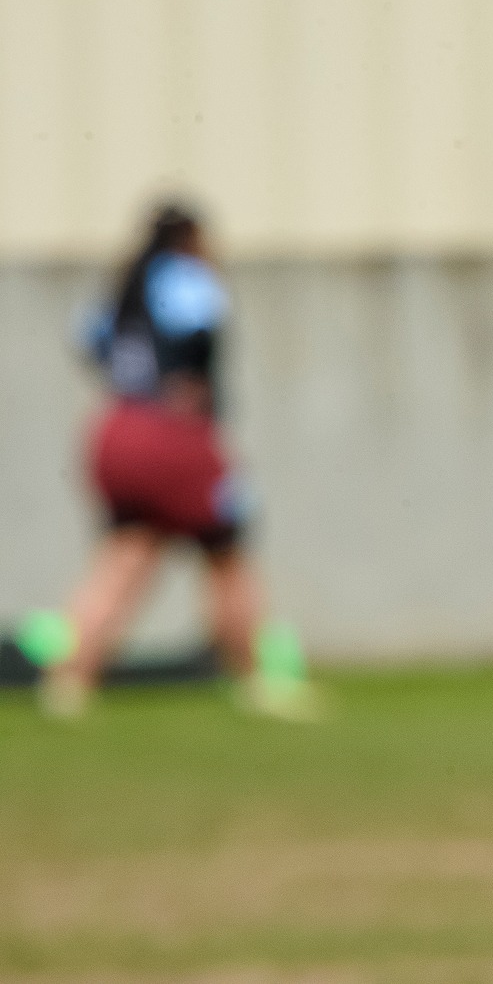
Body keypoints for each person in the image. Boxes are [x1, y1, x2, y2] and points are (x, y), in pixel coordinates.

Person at [41, 203, 312, 720]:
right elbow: (198, 334)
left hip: (115, 429)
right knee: (228, 554)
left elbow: (89, 340)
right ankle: (259, 680)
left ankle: (69, 682)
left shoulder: (123, 288)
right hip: (173, 434)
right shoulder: (185, 278)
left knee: (125, 554)